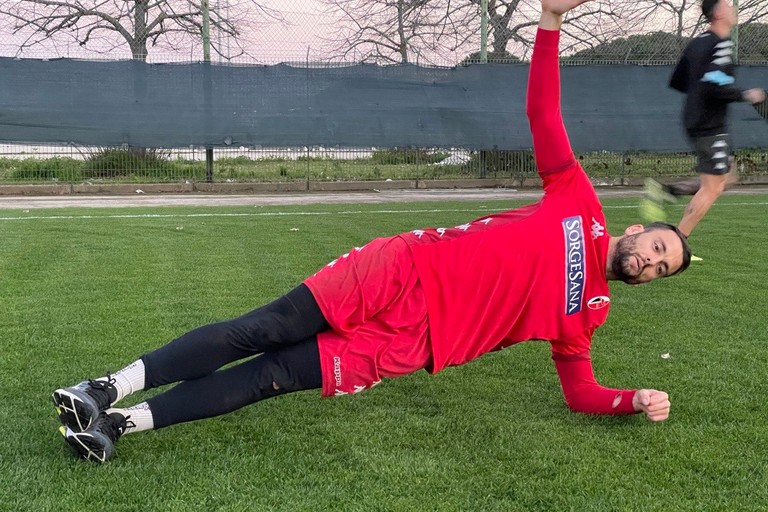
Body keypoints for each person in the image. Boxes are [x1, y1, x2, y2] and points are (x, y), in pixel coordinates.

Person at [53, 0, 692, 464]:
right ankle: (107, 385)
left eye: (662, 270)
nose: (652, 264)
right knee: (265, 328)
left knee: (269, 377)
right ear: (640, 230)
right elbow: (543, 112)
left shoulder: (587, 316)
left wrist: (628, 400)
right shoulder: (580, 203)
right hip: (404, 268)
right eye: (660, 248)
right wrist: (550, 23)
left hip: (409, 344)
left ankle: (116, 424)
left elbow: (580, 390)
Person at [642, 0, 766, 238]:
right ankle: (678, 242)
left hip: (696, 119)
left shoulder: (697, 43)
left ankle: (667, 190)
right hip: (709, 125)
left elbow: (678, 80)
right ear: (718, 13)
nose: (732, 9)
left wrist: (700, 92)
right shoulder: (721, 45)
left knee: (727, 176)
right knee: (713, 187)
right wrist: (745, 94)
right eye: (728, 6)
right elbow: (713, 85)